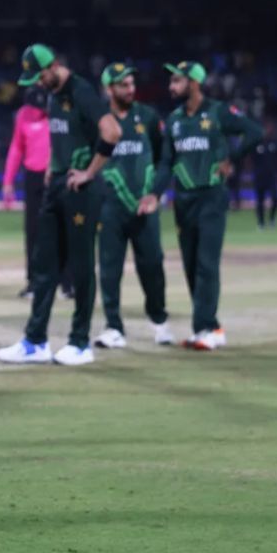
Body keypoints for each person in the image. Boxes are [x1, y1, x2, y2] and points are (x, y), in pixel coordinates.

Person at [0, 44, 122, 366]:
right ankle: (35, 341)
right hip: (56, 186)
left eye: (39, 76)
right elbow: (61, 136)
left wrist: (90, 172)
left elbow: (112, 131)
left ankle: (80, 343)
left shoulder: (82, 91)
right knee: (43, 264)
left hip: (82, 190)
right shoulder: (52, 95)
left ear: (52, 66)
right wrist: (54, 164)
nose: (37, 83)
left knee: (81, 267)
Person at [155, 61, 262, 350]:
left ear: (194, 83)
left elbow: (254, 132)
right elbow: (166, 162)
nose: (171, 87)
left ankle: (204, 328)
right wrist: (154, 193)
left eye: (177, 81)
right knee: (190, 265)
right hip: (184, 199)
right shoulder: (174, 120)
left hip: (212, 196)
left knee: (206, 263)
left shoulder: (218, 112)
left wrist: (233, 160)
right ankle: (211, 326)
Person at [93, 63, 174, 349]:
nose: (130, 89)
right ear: (109, 89)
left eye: (131, 84)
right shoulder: (98, 121)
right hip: (110, 208)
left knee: (152, 266)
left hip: (145, 207)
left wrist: (155, 194)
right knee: (109, 269)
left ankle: (160, 320)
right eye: (123, 85)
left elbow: (164, 159)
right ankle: (114, 327)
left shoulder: (148, 117)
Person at [4, 86, 71, 299]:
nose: (38, 112)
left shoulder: (61, 111)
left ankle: (67, 283)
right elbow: (17, 147)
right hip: (33, 177)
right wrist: (8, 180)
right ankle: (33, 282)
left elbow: (67, 144)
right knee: (33, 230)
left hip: (58, 174)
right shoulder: (23, 114)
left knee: (62, 228)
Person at [252, 120, 277, 229]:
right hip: (259, 176)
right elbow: (250, 160)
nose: (268, 131)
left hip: (272, 177)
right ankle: (261, 222)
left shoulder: (275, 144)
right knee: (260, 201)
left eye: (270, 129)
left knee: (275, 198)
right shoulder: (256, 144)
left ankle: (272, 219)